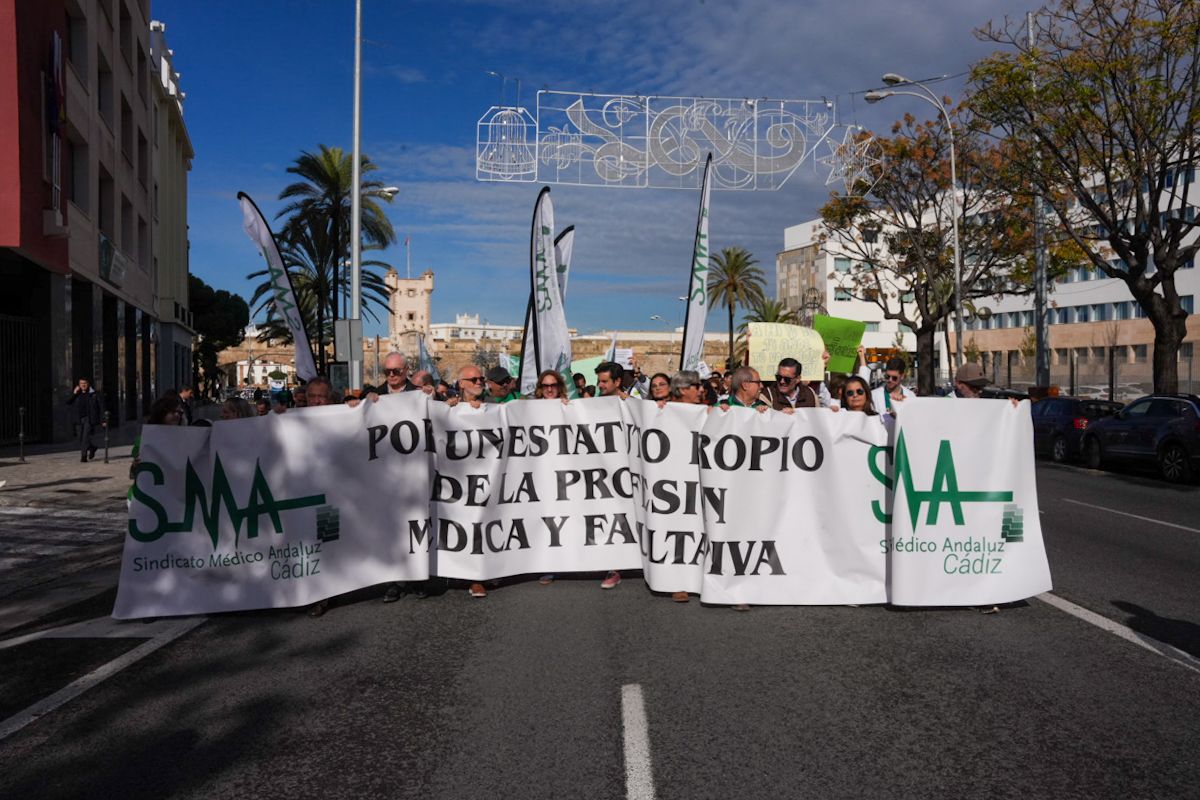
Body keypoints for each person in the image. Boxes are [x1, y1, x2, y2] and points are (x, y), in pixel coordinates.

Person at [858, 346, 915, 414]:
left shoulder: (910, 396)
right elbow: (862, 389)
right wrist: (862, 358)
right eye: (887, 376)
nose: (890, 380)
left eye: (894, 378)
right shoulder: (874, 395)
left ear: (902, 376)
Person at [67, 377, 106, 462]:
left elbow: (101, 408)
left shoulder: (94, 394)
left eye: (84, 383)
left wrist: (103, 420)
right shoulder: (77, 394)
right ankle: (92, 448)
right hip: (78, 419)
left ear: (88, 384)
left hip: (89, 419)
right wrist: (74, 393)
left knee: (85, 437)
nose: (83, 385)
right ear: (79, 385)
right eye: (81, 383)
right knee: (80, 438)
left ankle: (83, 456)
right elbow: (68, 402)